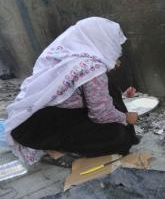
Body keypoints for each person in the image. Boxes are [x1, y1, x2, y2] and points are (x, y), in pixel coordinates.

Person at [5, 17, 139, 168]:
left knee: (111, 91)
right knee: (120, 137)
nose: (116, 47)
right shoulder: (92, 68)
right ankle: (57, 150)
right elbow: (101, 115)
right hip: (34, 129)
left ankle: (54, 148)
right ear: (103, 40)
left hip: (24, 121)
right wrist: (126, 117)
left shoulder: (62, 52)